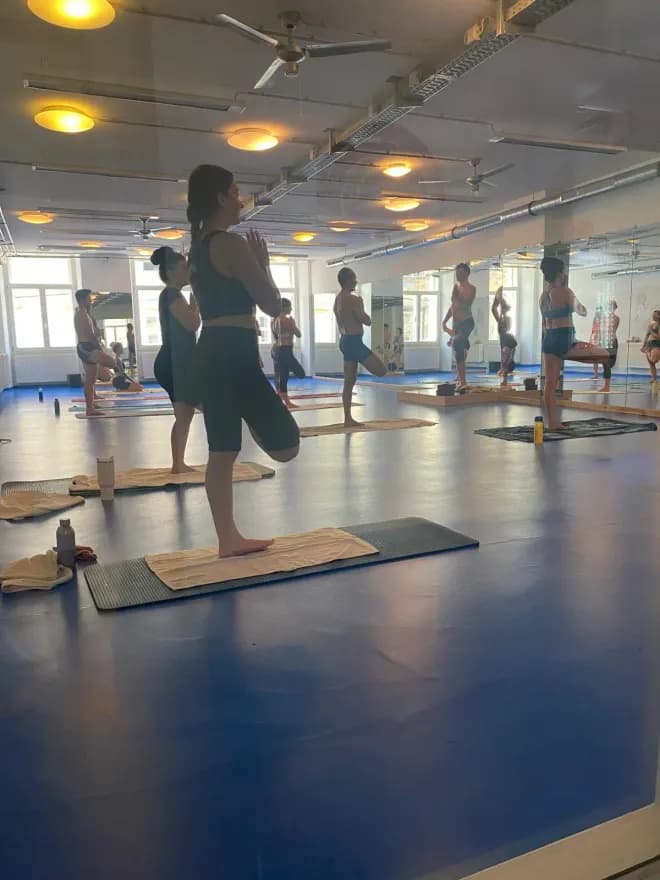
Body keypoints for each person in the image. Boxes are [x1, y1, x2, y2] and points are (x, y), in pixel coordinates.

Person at [187, 163, 299, 557]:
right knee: (287, 447)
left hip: (212, 350)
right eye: (235, 192)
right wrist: (263, 264)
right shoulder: (231, 244)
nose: (241, 200)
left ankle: (227, 539)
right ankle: (229, 538)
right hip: (233, 353)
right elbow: (272, 304)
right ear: (220, 198)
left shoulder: (197, 247)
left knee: (221, 452)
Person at [539, 257, 613, 430]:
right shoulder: (565, 292)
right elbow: (583, 311)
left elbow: (544, 322)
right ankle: (554, 422)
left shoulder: (543, 297)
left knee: (550, 383)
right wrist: (574, 302)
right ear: (560, 273)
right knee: (605, 355)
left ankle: (552, 422)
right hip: (564, 339)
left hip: (549, 339)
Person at [151, 246, 201, 474]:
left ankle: (178, 465)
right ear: (170, 272)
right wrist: (196, 305)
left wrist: (193, 306)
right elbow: (192, 324)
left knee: (184, 415)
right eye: (183, 267)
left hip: (178, 362)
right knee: (205, 407)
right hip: (174, 363)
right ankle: (179, 464)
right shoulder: (171, 294)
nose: (187, 271)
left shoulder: (173, 295)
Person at [334, 267, 387, 426]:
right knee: (382, 371)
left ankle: (347, 418)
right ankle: (347, 418)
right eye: (354, 279)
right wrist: (362, 305)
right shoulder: (353, 299)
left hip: (345, 341)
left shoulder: (337, 299)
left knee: (349, 381)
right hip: (354, 342)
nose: (356, 281)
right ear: (347, 281)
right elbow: (367, 321)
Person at [74, 288, 117, 416]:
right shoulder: (81, 314)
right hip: (87, 347)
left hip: (85, 347)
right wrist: (99, 349)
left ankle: (90, 406)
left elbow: (93, 330)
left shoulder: (84, 313)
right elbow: (90, 334)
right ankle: (89, 408)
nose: (91, 300)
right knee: (112, 363)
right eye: (89, 298)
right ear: (82, 300)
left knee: (91, 378)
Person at [442, 262, 476, 389]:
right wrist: (445, 321)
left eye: (460, 272)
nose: (457, 274)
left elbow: (467, 302)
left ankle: (463, 382)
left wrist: (457, 296)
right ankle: (460, 377)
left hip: (467, 322)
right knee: (460, 346)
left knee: (457, 343)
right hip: (457, 324)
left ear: (466, 273)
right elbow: (453, 306)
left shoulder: (471, 288)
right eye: (456, 272)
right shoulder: (456, 287)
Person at [272, 297, 305, 408]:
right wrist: (293, 324)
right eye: (290, 306)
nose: (291, 309)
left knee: (282, 376)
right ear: (285, 308)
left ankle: (285, 402)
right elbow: (298, 334)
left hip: (276, 349)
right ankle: (285, 401)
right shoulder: (286, 320)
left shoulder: (274, 320)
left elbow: (276, 336)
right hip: (285, 350)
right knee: (301, 374)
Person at [491, 287, 517, 386]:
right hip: (508, 338)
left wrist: (502, 370)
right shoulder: (507, 319)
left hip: (506, 338)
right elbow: (505, 360)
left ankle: (499, 297)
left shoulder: (505, 319)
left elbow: (504, 360)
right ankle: (499, 297)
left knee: (494, 311)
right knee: (505, 359)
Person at [599, 300, 619, 392]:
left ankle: (607, 386)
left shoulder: (615, 318)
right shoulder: (606, 317)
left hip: (611, 341)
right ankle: (606, 386)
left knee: (607, 363)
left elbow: (610, 328)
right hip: (606, 341)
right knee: (605, 362)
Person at [641, 309, 660, 384]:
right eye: (653, 314)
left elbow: (658, 337)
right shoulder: (650, 325)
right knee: (651, 364)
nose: (653, 316)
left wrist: (651, 331)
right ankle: (654, 379)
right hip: (649, 344)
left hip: (657, 344)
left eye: (655, 314)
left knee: (653, 360)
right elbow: (646, 336)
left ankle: (647, 352)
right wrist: (643, 345)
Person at [590, 305, 603, 379]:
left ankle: (605, 374)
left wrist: (600, 339)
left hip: (599, 338)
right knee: (595, 358)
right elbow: (593, 330)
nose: (597, 312)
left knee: (602, 358)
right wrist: (590, 340)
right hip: (595, 338)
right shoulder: (595, 319)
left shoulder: (603, 320)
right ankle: (596, 374)